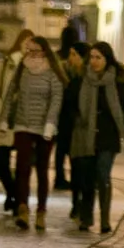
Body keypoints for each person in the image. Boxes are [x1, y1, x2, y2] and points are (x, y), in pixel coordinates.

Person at [62, 40, 124, 234]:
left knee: (103, 175)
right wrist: (76, 119)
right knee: (87, 178)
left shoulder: (117, 81)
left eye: (99, 58)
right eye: (92, 57)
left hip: (107, 136)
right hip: (85, 134)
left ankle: (105, 219)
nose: (95, 61)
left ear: (107, 60)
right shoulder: (80, 79)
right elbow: (68, 104)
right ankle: (86, 218)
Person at [2, 34, 65, 230]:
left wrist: (50, 123)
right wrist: (4, 118)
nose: (32, 54)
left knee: (42, 169)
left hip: (44, 127)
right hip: (23, 124)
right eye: (29, 50)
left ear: (44, 51)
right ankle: (22, 208)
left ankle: (41, 212)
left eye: (36, 50)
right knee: (22, 168)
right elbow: (11, 92)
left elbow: (56, 97)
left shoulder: (52, 72)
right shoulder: (23, 67)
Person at [0, 29, 34, 214]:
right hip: (5, 121)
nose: (28, 46)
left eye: (31, 43)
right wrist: (2, 112)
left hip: (25, 122)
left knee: (23, 166)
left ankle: (15, 200)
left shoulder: (35, 66)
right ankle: (13, 194)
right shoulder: (4, 63)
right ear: (20, 41)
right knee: (2, 165)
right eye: (26, 41)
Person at [56, 41, 86, 196]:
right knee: (64, 151)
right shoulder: (67, 72)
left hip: (77, 124)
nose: (70, 58)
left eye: (74, 54)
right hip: (66, 121)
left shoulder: (86, 78)